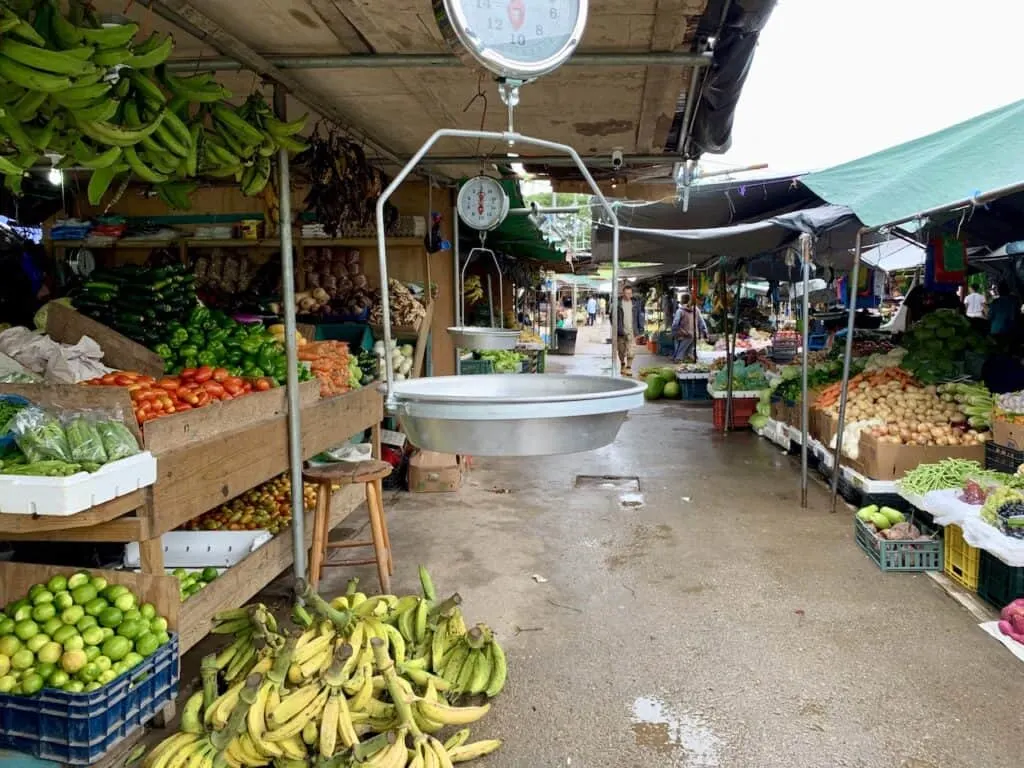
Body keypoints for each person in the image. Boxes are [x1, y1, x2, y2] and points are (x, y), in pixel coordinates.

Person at [615, 285, 644, 376]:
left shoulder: (635, 304)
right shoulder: (618, 304)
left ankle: (629, 367)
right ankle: (622, 364)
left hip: (632, 331)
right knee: (621, 351)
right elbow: (613, 317)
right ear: (623, 293)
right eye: (626, 293)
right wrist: (616, 328)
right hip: (621, 331)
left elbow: (640, 316)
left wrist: (640, 330)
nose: (628, 295)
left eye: (630, 293)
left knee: (631, 351)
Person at [671, 294, 706, 363]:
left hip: (683, 336)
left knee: (679, 354)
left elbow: (675, 325)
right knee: (689, 353)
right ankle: (688, 366)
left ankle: (680, 363)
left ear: (682, 301)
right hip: (694, 335)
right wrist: (705, 332)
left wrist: (680, 332)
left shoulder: (680, 311)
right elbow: (702, 322)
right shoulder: (696, 309)